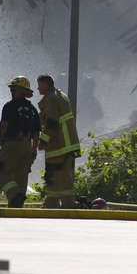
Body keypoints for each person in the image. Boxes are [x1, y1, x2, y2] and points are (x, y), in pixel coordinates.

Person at [0, 76, 41, 208]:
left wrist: (1, 140)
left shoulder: (10, 105)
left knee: (0, 171)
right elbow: (36, 133)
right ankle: (16, 209)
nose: (11, 91)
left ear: (17, 90)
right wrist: (34, 150)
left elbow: (4, 125)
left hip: (12, 142)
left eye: (13, 89)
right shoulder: (33, 109)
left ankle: (14, 194)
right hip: (27, 146)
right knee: (21, 178)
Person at [37, 74, 80, 208]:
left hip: (60, 147)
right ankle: (53, 205)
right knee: (55, 178)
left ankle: (66, 207)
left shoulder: (52, 99)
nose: (38, 88)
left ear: (47, 84)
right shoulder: (60, 96)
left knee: (62, 179)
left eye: (40, 84)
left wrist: (43, 141)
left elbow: (51, 123)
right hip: (61, 147)